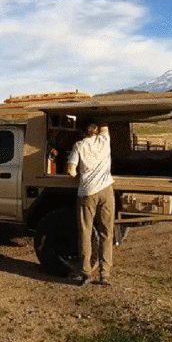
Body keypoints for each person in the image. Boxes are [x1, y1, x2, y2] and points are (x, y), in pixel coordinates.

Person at [66, 121, 114, 286]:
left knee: (85, 232)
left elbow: (70, 170)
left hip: (87, 192)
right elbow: (105, 126)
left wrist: (78, 177)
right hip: (106, 190)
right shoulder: (104, 140)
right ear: (96, 131)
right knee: (106, 232)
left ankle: (86, 272)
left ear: (81, 133)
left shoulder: (78, 146)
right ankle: (105, 275)